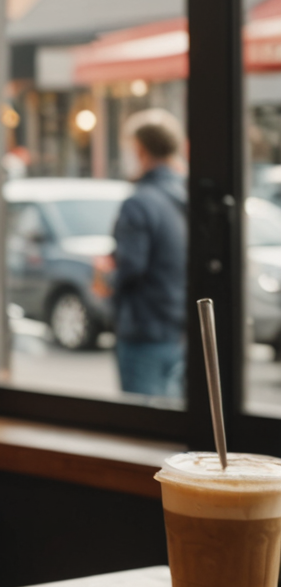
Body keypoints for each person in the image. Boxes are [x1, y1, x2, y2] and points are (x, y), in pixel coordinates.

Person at [112, 109, 188, 399]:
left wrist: (106, 277)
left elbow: (130, 268)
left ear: (139, 149)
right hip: (180, 330)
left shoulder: (140, 203)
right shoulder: (185, 197)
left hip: (144, 331)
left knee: (144, 430)